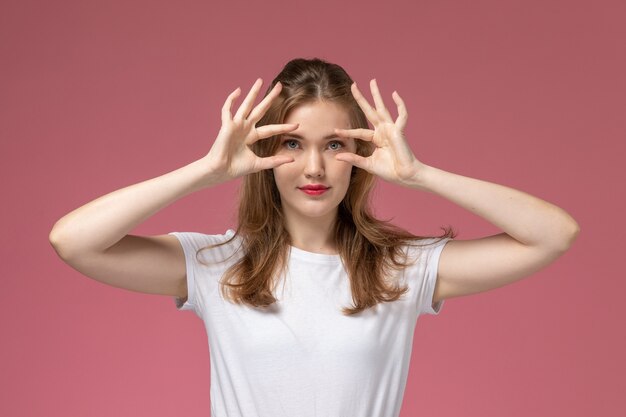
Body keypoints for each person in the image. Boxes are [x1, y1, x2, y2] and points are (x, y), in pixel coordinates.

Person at [49, 57, 580, 417]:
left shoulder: (400, 268)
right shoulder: (216, 265)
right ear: (265, 154)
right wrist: (205, 171)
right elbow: (74, 241)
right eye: (293, 144)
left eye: (334, 144)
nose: (315, 166)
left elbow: (553, 235)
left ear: (360, 155)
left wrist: (422, 175)